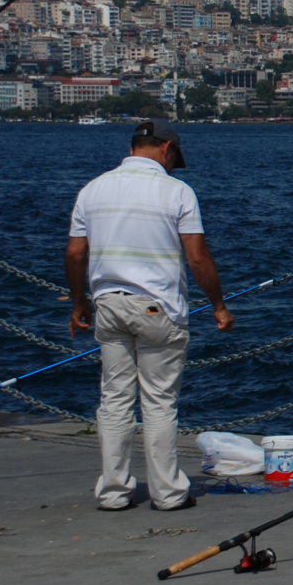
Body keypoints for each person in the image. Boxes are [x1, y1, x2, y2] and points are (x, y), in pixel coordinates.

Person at [65, 119, 232, 512]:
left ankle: (113, 491)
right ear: (167, 148)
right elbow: (196, 256)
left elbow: (75, 254)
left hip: (108, 303)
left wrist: (78, 304)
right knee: (158, 402)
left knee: (114, 400)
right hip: (158, 307)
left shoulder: (93, 189)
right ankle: (168, 493)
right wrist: (219, 305)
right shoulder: (176, 192)